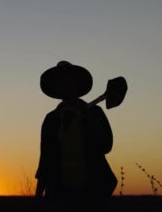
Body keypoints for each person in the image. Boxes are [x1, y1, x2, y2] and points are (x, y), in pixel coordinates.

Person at [35, 61, 117, 211]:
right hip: (59, 194)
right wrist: (38, 198)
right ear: (56, 88)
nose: (66, 85)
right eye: (61, 82)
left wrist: (87, 123)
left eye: (69, 80)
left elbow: (107, 145)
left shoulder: (94, 113)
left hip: (94, 192)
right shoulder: (52, 119)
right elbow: (46, 160)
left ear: (77, 84)